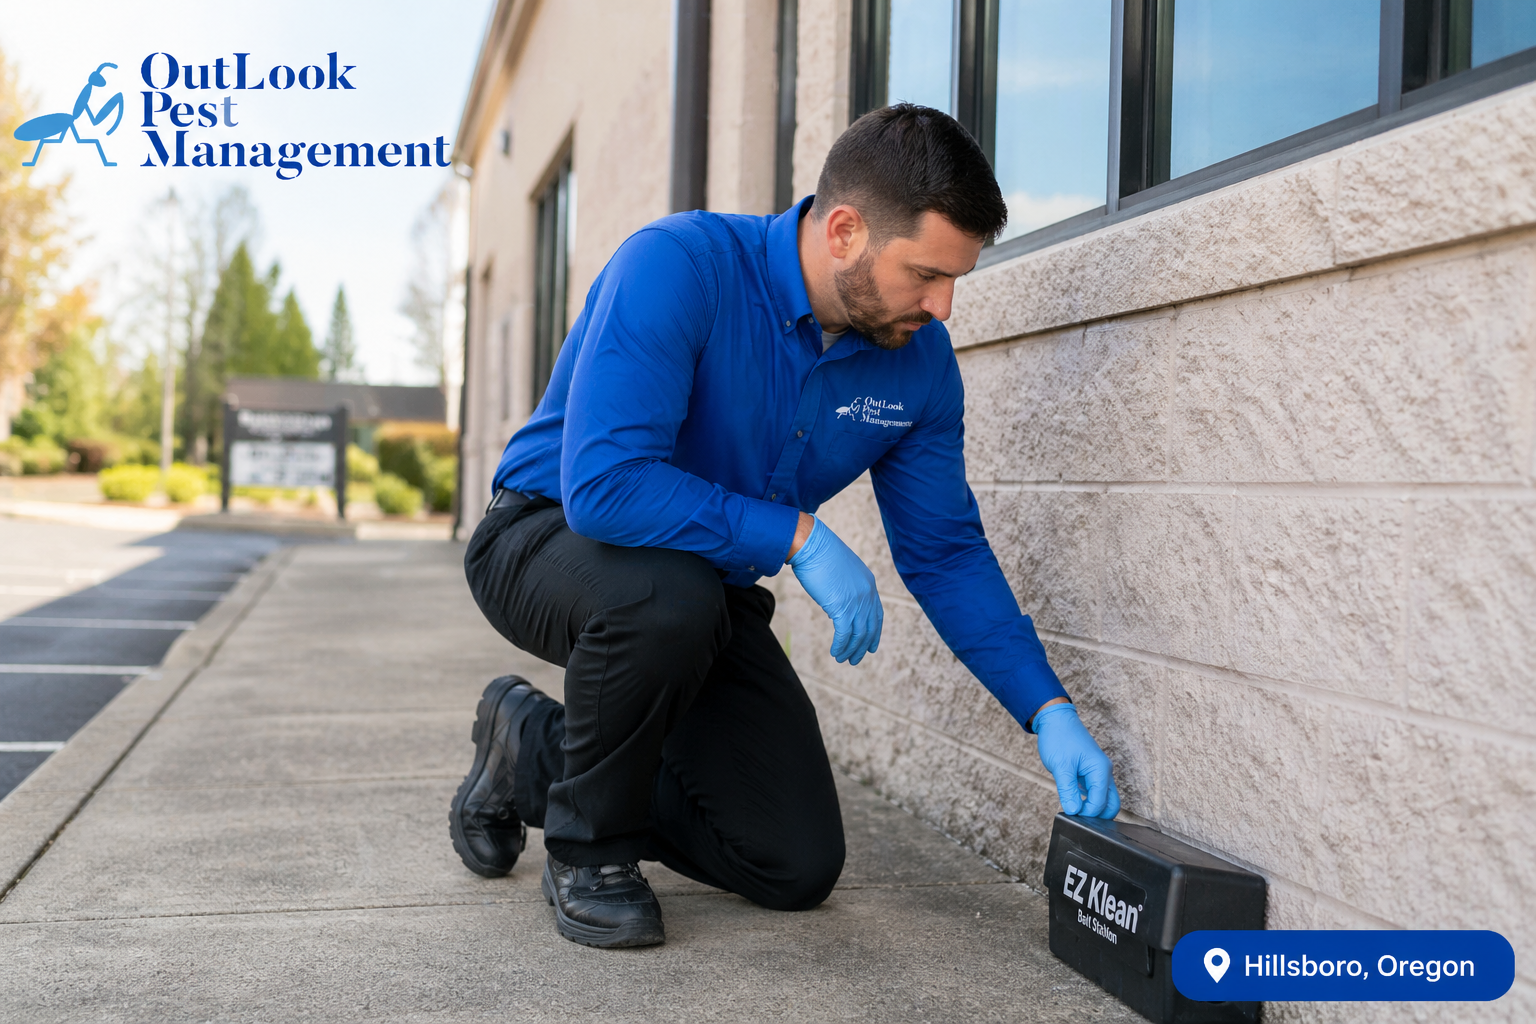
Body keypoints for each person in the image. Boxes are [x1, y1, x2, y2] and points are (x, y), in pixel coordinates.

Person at [453, 103, 1120, 950]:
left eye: (956, 279)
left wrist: (1047, 707)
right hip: (545, 537)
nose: (944, 306)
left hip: (698, 586)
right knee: (671, 598)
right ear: (844, 231)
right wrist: (798, 537)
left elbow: (945, 553)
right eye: (926, 274)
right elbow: (606, 487)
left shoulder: (917, 367)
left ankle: (531, 748)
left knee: (792, 860)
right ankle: (592, 853)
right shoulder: (678, 268)